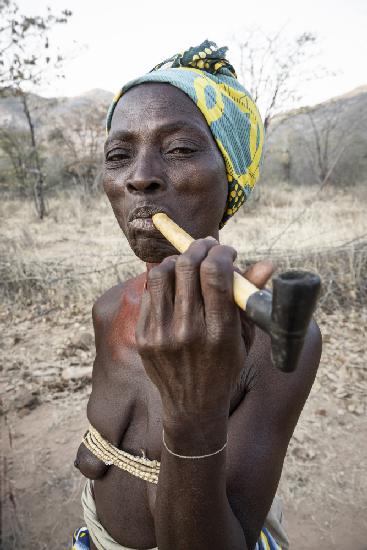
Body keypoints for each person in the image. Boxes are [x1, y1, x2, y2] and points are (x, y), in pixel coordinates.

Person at [73, 40, 322, 550]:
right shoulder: (106, 310)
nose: (139, 177)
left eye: (180, 148)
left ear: (231, 177)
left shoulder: (267, 345)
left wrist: (194, 416)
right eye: (119, 155)